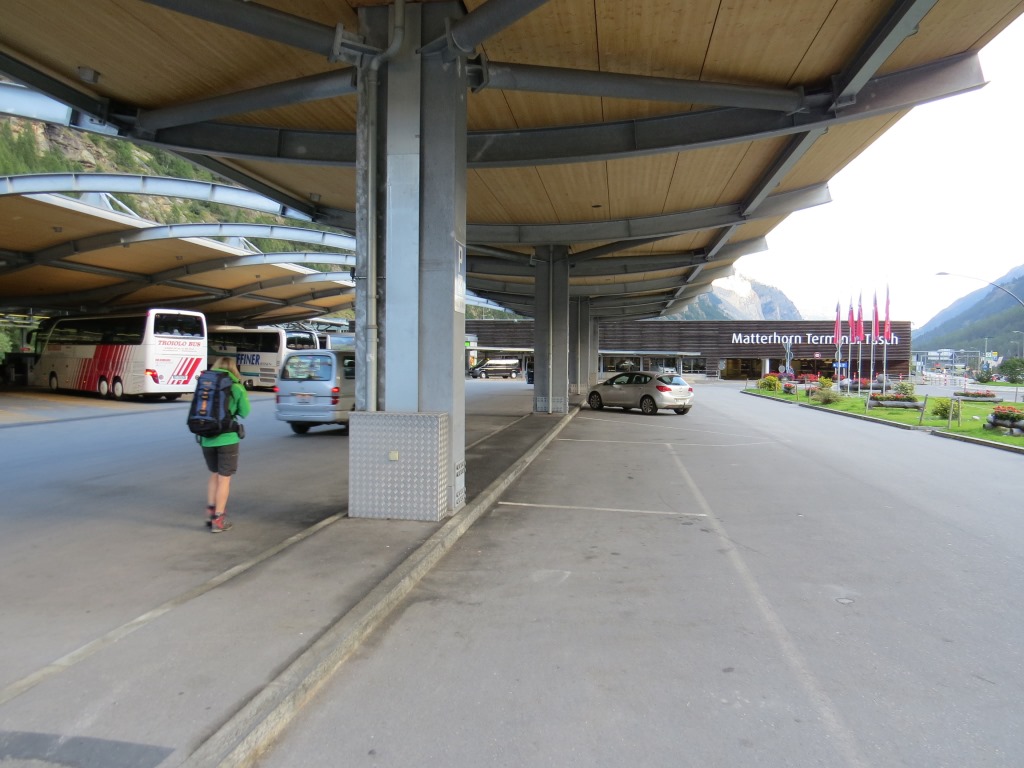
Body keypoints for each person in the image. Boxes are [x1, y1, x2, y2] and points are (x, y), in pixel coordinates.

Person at [199, 356, 251, 533]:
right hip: (227, 439)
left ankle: (210, 513)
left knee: (214, 474)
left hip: (206, 437)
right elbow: (245, 412)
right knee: (224, 478)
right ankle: (219, 520)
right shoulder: (236, 386)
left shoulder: (205, 384)